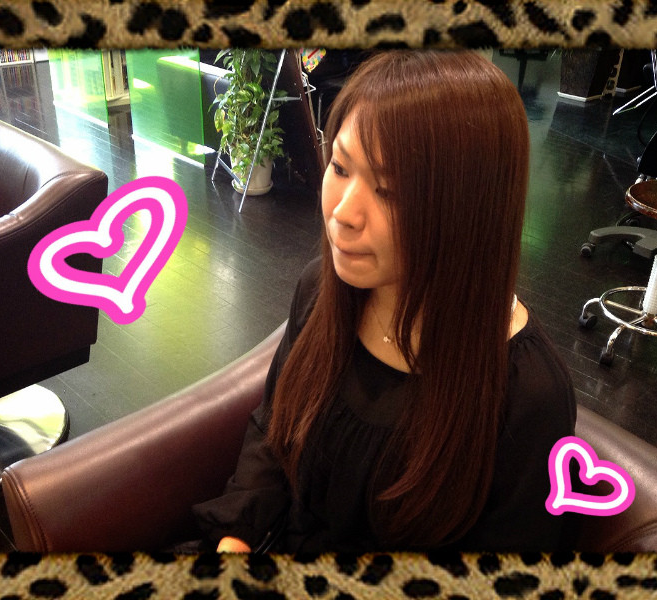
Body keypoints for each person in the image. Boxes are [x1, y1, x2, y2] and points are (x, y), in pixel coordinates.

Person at [192, 50, 577, 554]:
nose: (343, 213)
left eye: (390, 191)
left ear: (467, 210)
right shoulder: (322, 290)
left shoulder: (528, 397)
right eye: (340, 167)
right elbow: (273, 435)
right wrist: (234, 544)